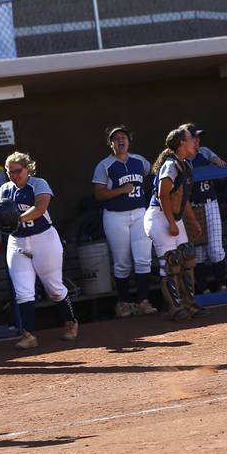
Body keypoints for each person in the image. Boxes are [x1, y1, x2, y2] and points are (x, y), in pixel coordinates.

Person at [0, 151, 79, 349]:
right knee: (23, 291)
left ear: (28, 168)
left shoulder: (39, 184)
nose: (14, 175)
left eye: (18, 171)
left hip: (44, 239)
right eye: (10, 172)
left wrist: (16, 219)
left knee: (55, 288)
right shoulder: (5, 189)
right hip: (17, 242)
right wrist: (4, 222)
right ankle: (28, 335)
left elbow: (40, 208)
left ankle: (70, 321)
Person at [91, 126, 157, 318]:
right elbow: (99, 194)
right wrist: (121, 190)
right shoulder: (105, 165)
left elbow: (152, 174)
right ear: (110, 143)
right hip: (115, 216)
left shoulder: (139, 161)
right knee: (122, 263)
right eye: (116, 138)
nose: (120, 141)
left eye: (123, 137)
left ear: (129, 140)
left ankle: (144, 302)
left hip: (139, 213)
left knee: (143, 259)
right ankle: (124, 303)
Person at [144, 127, 206, 321]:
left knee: (187, 256)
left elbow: (183, 198)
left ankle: (190, 304)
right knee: (172, 262)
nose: (195, 143)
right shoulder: (170, 165)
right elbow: (163, 194)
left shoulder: (186, 165)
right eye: (191, 139)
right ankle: (176, 308)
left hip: (173, 218)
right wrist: (171, 223)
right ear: (181, 142)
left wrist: (193, 221)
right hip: (159, 217)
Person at [181, 122, 227, 294]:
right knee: (198, 253)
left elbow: (219, 163)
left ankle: (222, 287)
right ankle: (204, 290)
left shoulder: (205, 152)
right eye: (193, 138)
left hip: (210, 204)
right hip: (192, 208)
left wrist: (216, 161)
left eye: (198, 137)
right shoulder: (179, 159)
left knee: (216, 249)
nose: (197, 141)